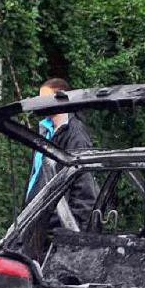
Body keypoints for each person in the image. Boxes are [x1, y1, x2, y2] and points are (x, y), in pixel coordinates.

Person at [25, 78, 97, 228]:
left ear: (61, 98)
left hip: (55, 230)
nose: (40, 104)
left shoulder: (76, 134)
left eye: (44, 99)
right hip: (34, 223)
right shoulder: (45, 131)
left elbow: (84, 190)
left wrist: (69, 231)